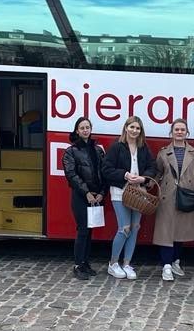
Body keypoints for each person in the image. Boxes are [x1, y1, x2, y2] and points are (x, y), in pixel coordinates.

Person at [102, 116, 157, 280]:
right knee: (124, 228)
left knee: (135, 227)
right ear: (126, 128)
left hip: (138, 194)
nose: (134, 131)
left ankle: (126, 263)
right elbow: (106, 169)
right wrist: (124, 174)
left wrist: (144, 178)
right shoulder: (117, 147)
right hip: (120, 191)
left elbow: (152, 166)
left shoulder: (144, 148)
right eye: (132, 127)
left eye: (138, 128)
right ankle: (113, 264)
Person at [154, 118, 194, 282]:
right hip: (167, 196)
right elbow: (158, 173)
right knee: (166, 230)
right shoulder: (163, 152)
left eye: (182, 129)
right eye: (177, 129)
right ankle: (166, 265)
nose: (180, 132)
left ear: (187, 132)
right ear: (171, 132)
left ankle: (176, 261)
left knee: (181, 230)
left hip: (187, 195)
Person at [62, 116, 105, 280]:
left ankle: (86, 263)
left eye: (88, 127)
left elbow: (103, 172)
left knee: (90, 230)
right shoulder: (71, 151)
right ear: (77, 131)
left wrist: (101, 192)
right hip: (81, 196)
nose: (85, 130)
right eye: (82, 128)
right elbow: (71, 175)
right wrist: (86, 192)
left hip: (96, 196)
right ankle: (78, 264)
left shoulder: (98, 150)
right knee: (82, 230)